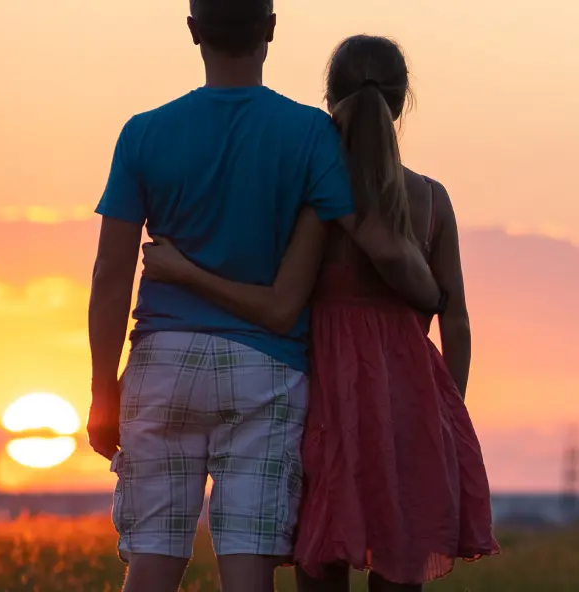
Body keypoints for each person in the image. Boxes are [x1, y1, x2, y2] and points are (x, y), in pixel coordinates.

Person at [84, 3, 443, 591]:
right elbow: (378, 243)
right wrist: (436, 295)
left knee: (151, 559)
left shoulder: (143, 132)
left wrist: (104, 391)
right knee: (248, 568)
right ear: (271, 28)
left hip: (163, 363)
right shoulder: (309, 133)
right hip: (266, 371)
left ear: (193, 30)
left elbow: (110, 275)